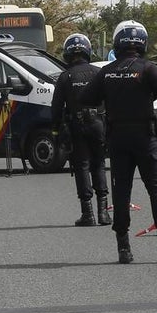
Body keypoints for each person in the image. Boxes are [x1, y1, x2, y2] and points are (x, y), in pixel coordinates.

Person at [81, 20, 157, 264]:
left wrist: (111, 97)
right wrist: (144, 92)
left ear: (117, 42)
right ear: (142, 42)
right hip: (145, 137)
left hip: (117, 138)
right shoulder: (146, 68)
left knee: (121, 191)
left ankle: (123, 248)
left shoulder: (107, 71)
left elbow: (86, 97)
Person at [51, 33, 109, 226]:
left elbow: (56, 108)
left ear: (67, 53)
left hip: (77, 126)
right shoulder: (98, 72)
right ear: (88, 51)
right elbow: (109, 100)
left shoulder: (65, 76)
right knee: (99, 164)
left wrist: (56, 131)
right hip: (99, 124)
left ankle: (88, 214)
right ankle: (103, 213)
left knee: (82, 166)